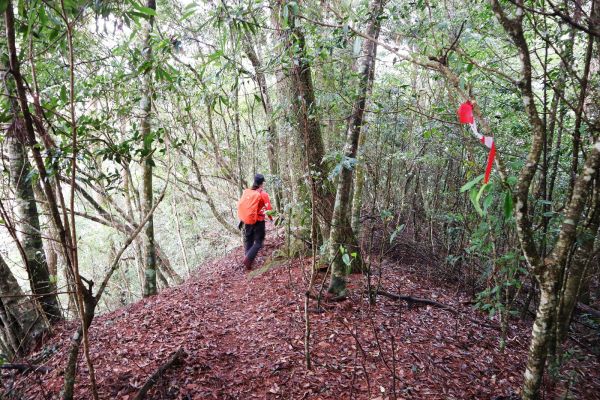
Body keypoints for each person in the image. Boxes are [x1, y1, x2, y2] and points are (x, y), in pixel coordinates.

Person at [240, 174, 272, 270]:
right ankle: (247, 259)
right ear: (262, 183)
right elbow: (269, 208)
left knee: (249, 240)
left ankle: (248, 262)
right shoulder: (263, 194)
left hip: (248, 220)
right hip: (259, 221)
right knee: (258, 242)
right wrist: (271, 218)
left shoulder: (248, 192)